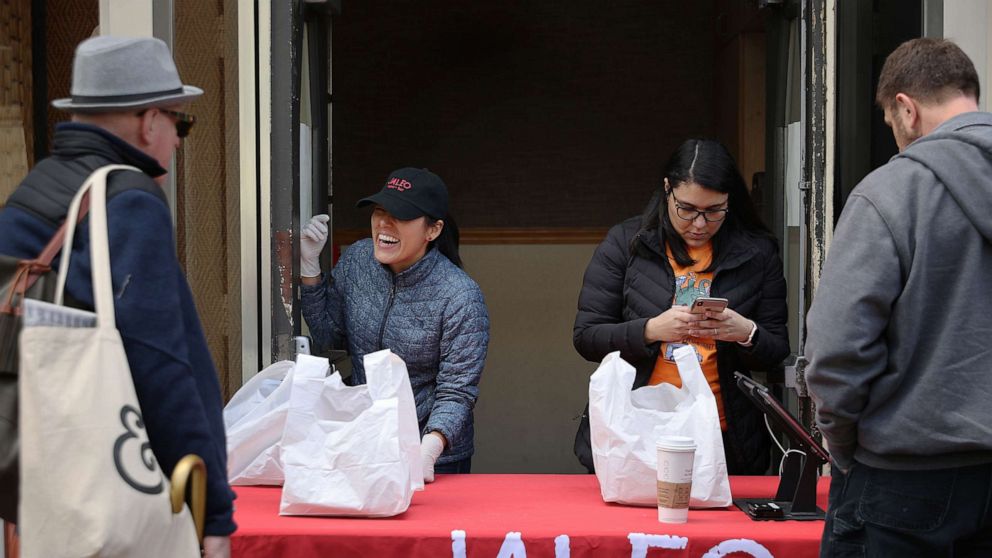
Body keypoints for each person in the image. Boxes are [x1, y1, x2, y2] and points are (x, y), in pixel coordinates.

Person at [0, 36, 234, 557]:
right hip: (109, 501)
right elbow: (161, 364)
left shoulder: (32, 194)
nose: (177, 140)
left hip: (31, 493)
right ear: (150, 120)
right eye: (181, 123)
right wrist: (212, 512)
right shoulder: (128, 200)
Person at [806, 37, 992, 555]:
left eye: (891, 124)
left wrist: (843, 444)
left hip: (903, 477)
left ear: (906, 109)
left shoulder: (890, 192)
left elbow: (836, 348)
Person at [572, 139, 789, 475]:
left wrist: (746, 332)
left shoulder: (757, 253)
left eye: (714, 211)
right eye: (686, 209)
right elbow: (587, 337)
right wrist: (650, 330)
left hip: (722, 434)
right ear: (666, 190)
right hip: (637, 429)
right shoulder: (627, 243)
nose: (699, 224)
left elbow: (776, 349)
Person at [299, 167, 490, 482]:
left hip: (434, 457)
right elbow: (329, 334)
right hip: (363, 441)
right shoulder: (359, 259)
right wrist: (309, 268)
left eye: (400, 216)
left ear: (433, 230)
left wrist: (428, 448)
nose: (384, 224)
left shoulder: (460, 296)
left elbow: (457, 391)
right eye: (379, 211)